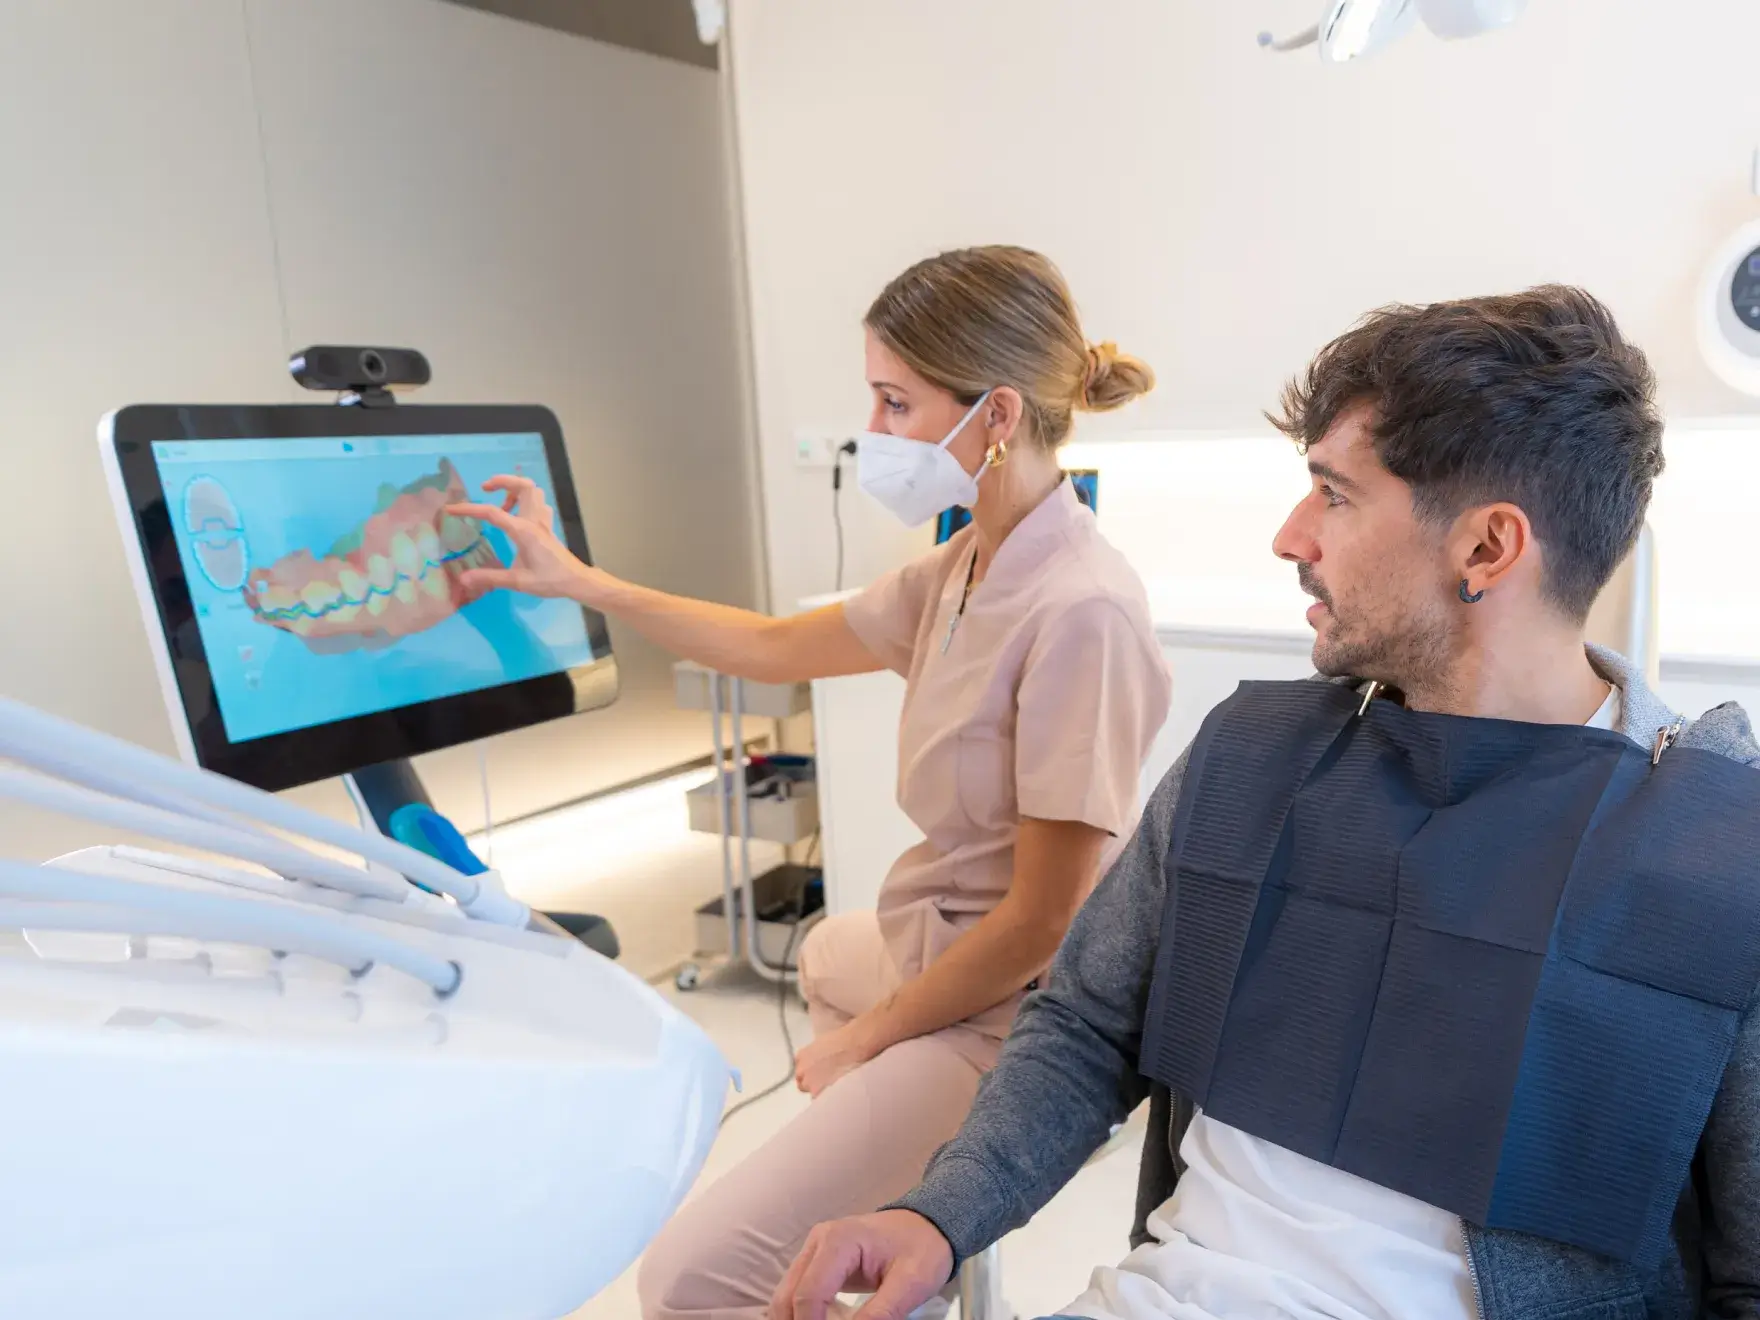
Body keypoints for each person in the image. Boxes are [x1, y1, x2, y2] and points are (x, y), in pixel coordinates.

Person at [773, 286, 1760, 1320]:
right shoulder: (1247, 762)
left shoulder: (1707, 864)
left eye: (1332, 496)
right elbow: (1083, 1026)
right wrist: (936, 1217)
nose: (1290, 537)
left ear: (1485, 549)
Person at [449, 245, 1175, 1320]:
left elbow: (1040, 922)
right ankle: (915, 1277)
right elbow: (769, 643)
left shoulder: (1081, 611)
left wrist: (870, 1038)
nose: (872, 433)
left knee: (692, 1276)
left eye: (894, 402)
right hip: (932, 936)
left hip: (1015, 1010)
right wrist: (579, 582)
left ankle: (905, 1220)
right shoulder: (960, 565)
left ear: (998, 414)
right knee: (833, 952)